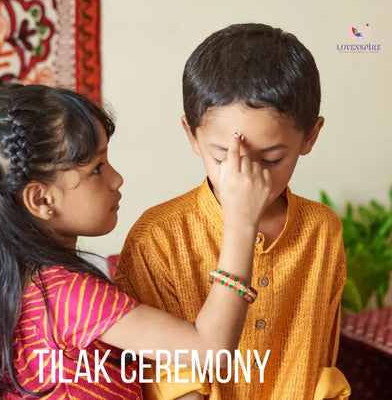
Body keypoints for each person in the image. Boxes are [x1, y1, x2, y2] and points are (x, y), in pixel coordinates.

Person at [0, 84, 271, 399]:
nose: (117, 179)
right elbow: (209, 350)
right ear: (41, 200)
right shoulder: (64, 295)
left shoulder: (4, 291)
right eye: (97, 168)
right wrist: (241, 220)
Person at [117, 23, 352, 400]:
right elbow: (161, 373)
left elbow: (316, 361)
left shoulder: (322, 230)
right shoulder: (158, 235)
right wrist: (241, 222)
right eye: (223, 156)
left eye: (271, 159)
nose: (246, 176)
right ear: (191, 135)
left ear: (310, 136)